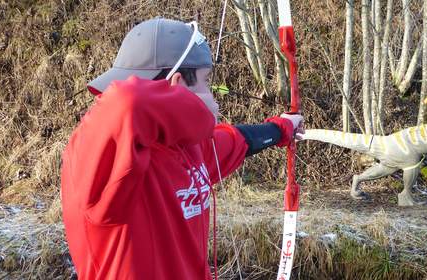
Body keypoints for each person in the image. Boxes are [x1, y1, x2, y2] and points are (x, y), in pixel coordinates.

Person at [61, 18, 304, 280]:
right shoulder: (101, 152)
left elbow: (239, 140)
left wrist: (282, 128)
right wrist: (196, 110)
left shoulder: (189, 148)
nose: (211, 92)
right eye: (205, 81)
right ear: (177, 83)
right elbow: (125, 103)